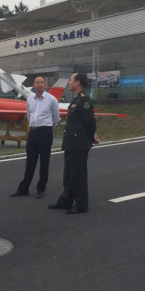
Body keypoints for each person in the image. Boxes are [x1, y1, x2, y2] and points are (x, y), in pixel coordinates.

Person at [48, 73, 97, 214]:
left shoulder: (84, 100)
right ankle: (65, 201)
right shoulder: (76, 99)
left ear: (77, 83)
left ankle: (81, 205)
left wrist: (90, 137)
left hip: (79, 144)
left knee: (78, 176)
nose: (69, 83)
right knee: (69, 175)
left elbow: (89, 123)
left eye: (71, 80)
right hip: (71, 142)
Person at [10, 77, 60, 199]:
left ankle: (41, 188)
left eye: (42, 82)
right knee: (30, 161)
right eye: (37, 83)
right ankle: (23, 188)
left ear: (45, 85)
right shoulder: (30, 99)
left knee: (44, 161)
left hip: (45, 132)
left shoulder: (52, 99)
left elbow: (55, 117)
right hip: (33, 132)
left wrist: (46, 126)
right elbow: (29, 115)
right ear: (33, 85)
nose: (40, 84)